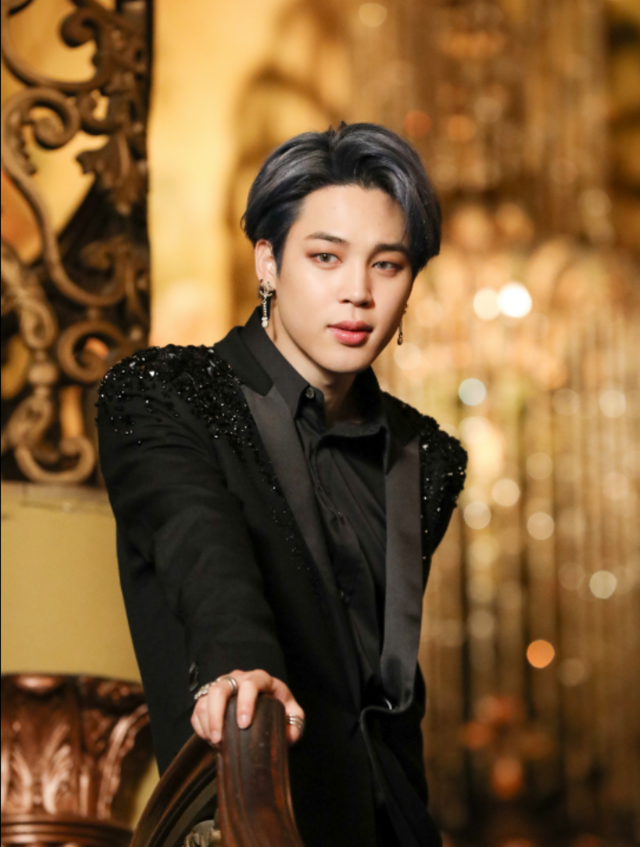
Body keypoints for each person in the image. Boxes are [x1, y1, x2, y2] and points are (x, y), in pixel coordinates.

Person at [97, 122, 467, 847]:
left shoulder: (427, 455)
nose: (357, 293)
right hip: (249, 815)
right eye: (326, 257)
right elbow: (200, 548)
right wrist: (242, 668)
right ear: (267, 260)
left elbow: (386, 688)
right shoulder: (162, 395)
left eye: (387, 265)